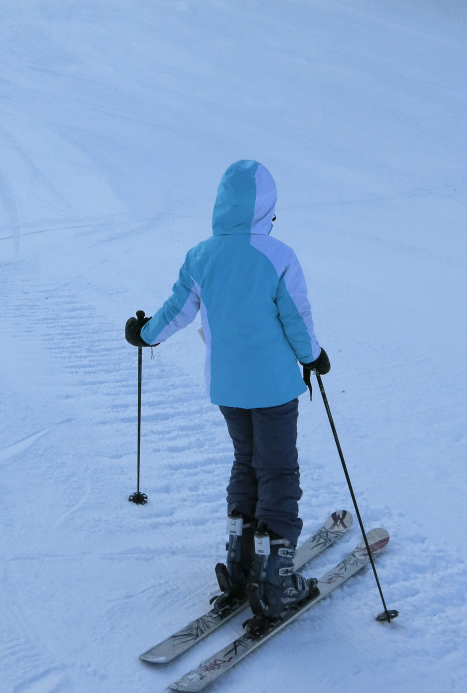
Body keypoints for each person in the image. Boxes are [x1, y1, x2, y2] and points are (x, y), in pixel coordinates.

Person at [125, 159, 330, 619]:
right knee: (278, 471)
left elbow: (176, 311)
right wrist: (313, 356)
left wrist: (145, 334)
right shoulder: (279, 256)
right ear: (266, 208)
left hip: (229, 387)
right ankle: (277, 579)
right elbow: (296, 319)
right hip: (274, 387)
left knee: (246, 462)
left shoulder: (202, 255)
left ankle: (240, 563)